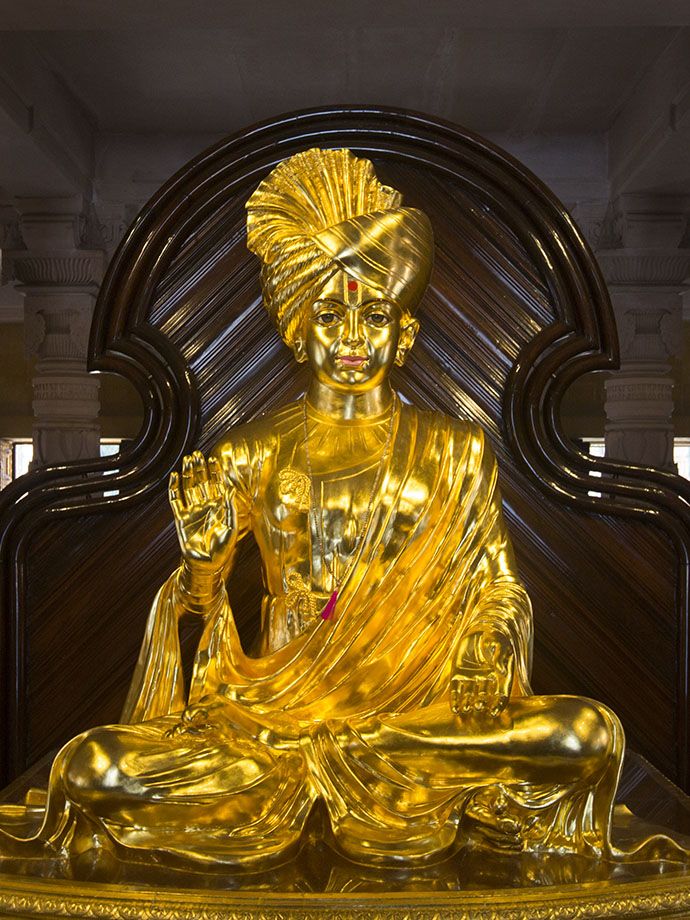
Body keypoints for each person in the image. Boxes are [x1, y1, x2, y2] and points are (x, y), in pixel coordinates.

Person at [0, 148, 668, 872]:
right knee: (94, 767)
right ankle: (334, 782)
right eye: (331, 313)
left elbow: (497, 586)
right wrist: (204, 568)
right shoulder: (248, 454)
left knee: (586, 735)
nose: (353, 337)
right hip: (273, 729)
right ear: (296, 330)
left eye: (374, 314)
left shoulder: (456, 450)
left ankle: (364, 769)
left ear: (404, 333)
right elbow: (191, 651)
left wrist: (487, 645)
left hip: (412, 727)